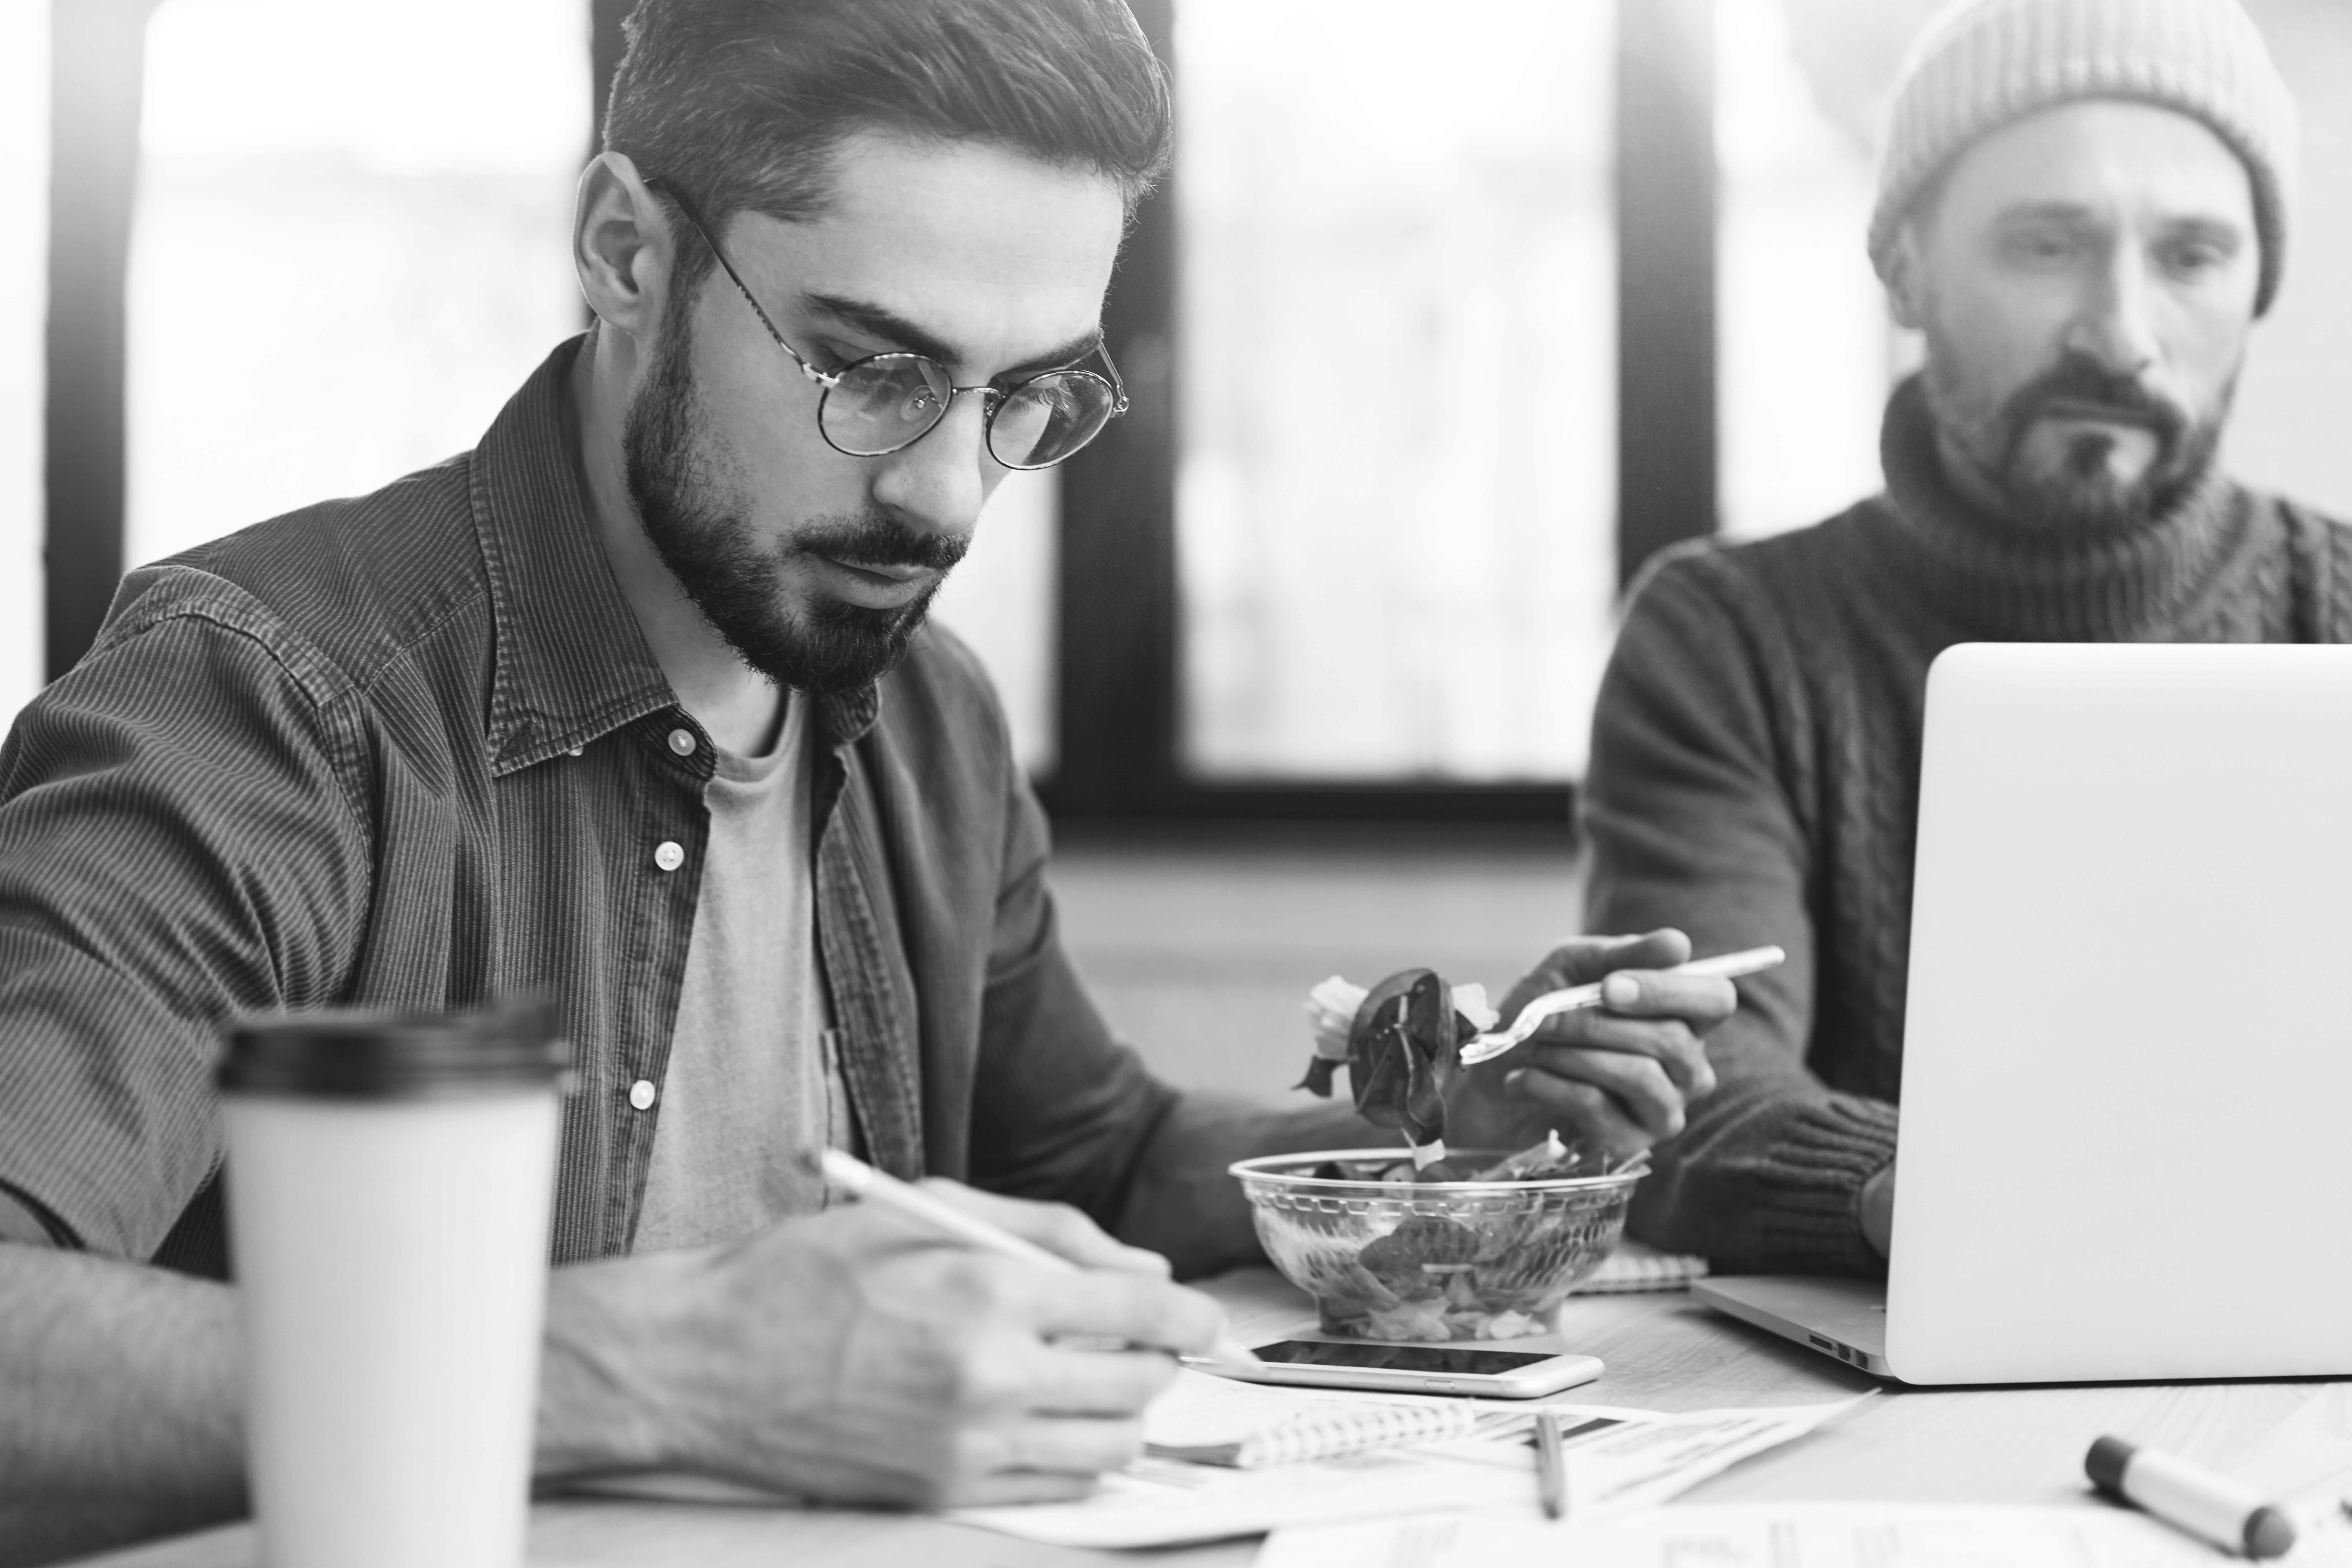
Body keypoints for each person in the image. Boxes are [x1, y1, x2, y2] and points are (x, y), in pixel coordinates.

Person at [0, 2, 1738, 1561]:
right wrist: (679, 1370)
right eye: (874, 370)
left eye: (1021, 399)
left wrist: (1438, 1128)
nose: (949, 500)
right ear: (624, 250)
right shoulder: (272, 702)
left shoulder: (926, 718)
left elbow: (1099, 1156)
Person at [1583, 0, 2352, 1275]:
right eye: (2047, 245)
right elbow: (1688, 1095)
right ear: (1907, 271)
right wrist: (1991, 1213)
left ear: (2259, 286)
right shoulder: (1727, 640)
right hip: (1881, 1375)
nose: (2121, 334)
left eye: (2194, 256)